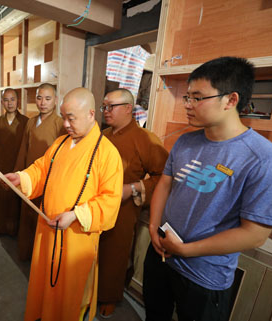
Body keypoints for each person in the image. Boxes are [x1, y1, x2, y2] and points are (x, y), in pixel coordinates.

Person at [143, 57, 272, 321]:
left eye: (197, 98)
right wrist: (154, 228)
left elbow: (254, 235)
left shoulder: (265, 160)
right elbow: (165, 183)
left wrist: (186, 250)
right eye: (187, 97)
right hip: (160, 253)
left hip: (204, 274)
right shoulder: (186, 142)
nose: (187, 105)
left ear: (231, 100)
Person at [5, 87, 123, 321]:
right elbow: (40, 169)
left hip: (77, 236)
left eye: (71, 118)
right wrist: (23, 177)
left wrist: (75, 216)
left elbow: (110, 200)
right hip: (48, 229)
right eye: (64, 117)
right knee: (46, 283)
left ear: (91, 114)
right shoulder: (60, 143)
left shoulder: (107, 153)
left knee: (72, 293)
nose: (66, 124)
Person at [97, 88, 168, 317]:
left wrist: (134, 188)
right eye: (104, 107)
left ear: (128, 108)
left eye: (111, 107)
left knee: (114, 252)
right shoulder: (102, 135)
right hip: (95, 202)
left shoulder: (145, 139)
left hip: (123, 207)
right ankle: (89, 289)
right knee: (91, 250)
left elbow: (165, 178)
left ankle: (109, 295)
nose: (106, 111)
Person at [14, 83, 66, 260]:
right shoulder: (30, 121)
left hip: (48, 181)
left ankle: (39, 259)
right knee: (26, 216)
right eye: (39, 97)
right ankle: (25, 252)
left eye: (48, 98)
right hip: (30, 177)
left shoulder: (61, 124)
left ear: (56, 100)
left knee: (42, 220)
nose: (42, 102)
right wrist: (18, 173)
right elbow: (23, 149)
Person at [0, 88, 28, 238]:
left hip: (18, 170)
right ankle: (0, 228)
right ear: (2, 102)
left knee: (16, 203)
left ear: (18, 101)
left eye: (13, 99)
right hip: (0, 169)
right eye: (6, 100)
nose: (10, 103)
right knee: (0, 201)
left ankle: (15, 231)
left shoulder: (26, 123)